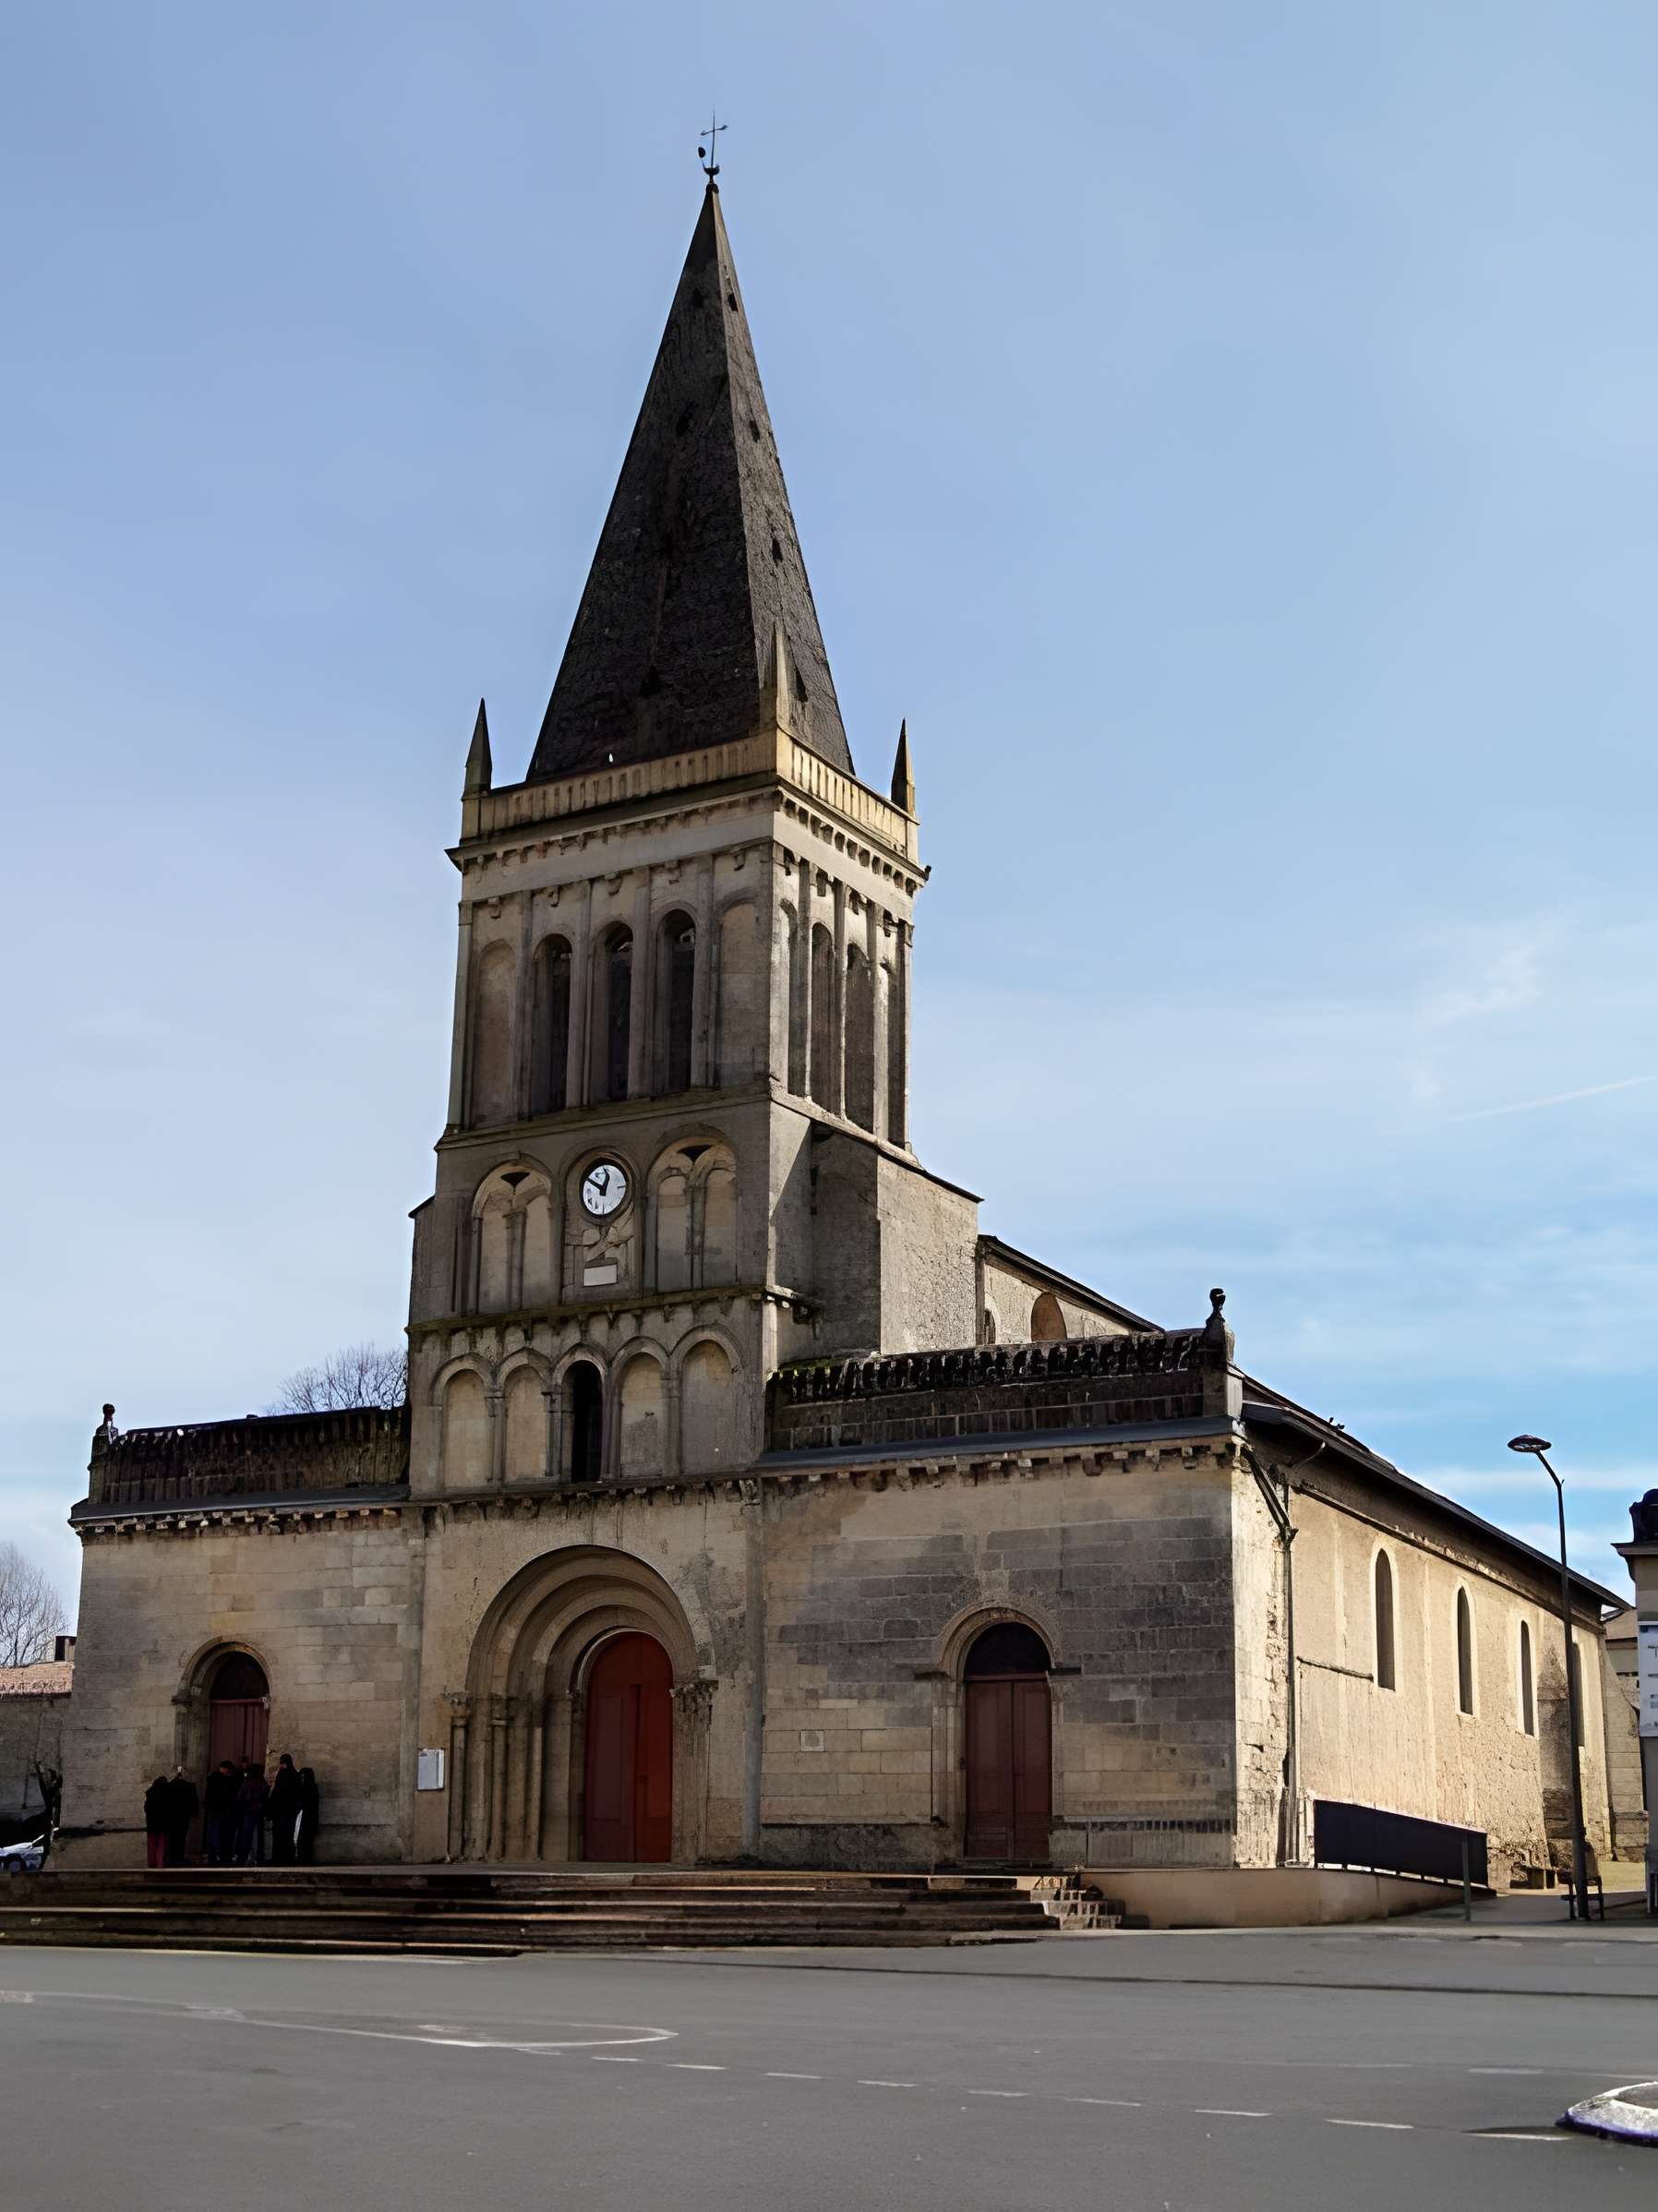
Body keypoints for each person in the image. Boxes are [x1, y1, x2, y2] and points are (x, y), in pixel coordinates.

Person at [203, 1760, 240, 1865]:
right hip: (222, 1814)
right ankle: (223, 1859)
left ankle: (214, 1859)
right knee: (223, 1838)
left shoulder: (213, 1779)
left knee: (214, 1838)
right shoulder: (226, 1781)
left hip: (217, 1813)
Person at [267, 1753, 302, 1865]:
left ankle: (284, 1858)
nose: (282, 1766)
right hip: (283, 1812)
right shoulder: (288, 1775)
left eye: (283, 1763)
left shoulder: (290, 1776)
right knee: (281, 1835)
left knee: (285, 1835)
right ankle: (282, 1858)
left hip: (286, 1812)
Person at [234, 1761, 269, 1865]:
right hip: (258, 1812)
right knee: (258, 1837)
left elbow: (241, 1798)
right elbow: (265, 1798)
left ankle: (242, 1859)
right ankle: (259, 1858)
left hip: (248, 1812)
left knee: (246, 1836)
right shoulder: (262, 1783)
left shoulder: (248, 1782)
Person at [163, 1765, 198, 1867]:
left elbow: (165, 1803)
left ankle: (172, 1858)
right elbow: (194, 1801)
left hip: (171, 1817)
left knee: (172, 1837)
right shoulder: (190, 1786)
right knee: (181, 1837)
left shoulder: (169, 1786)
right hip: (184, 1816)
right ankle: (179, 1857)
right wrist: (194, 1814)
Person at [143, 1774, 170, 1869]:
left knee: (151, 1843)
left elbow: (146, 1808)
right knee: (161, 1844)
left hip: (151, 1822)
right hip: (162, 1823)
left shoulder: (149, 1792)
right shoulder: (166, 1793)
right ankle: (160, 1863)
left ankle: (151, 1862)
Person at [295, 1768, 320, 1864]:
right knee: (302, 1839)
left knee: (306, 1839)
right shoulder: (308, 1787)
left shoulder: (311, 1788)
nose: (302, 1779)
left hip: (309, 1817)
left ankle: (305, 1859)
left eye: (303, 1777)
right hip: (305, 1817)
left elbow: (309, 1803)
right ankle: (303, 1858)